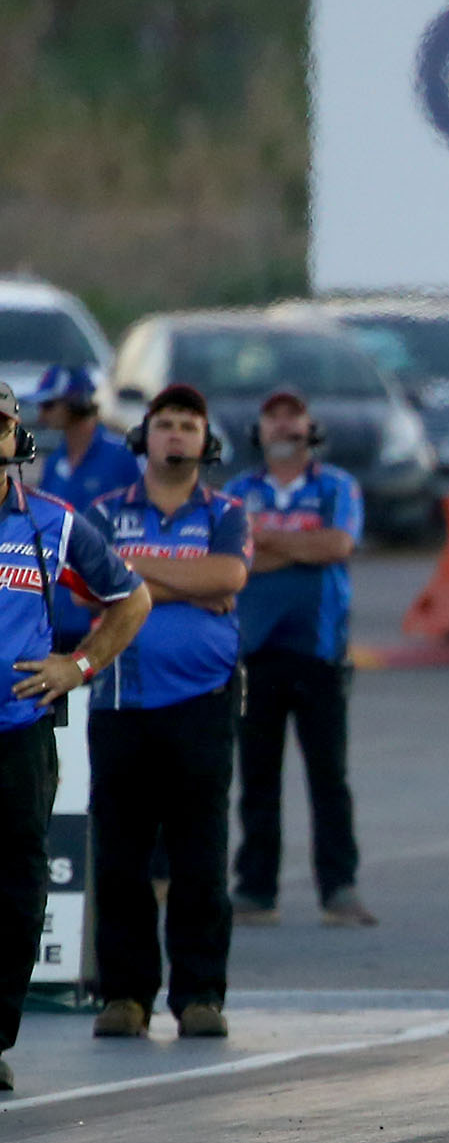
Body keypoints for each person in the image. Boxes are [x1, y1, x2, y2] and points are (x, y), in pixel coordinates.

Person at [83, 384, 251, 1040]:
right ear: (143, 437)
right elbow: (91, 587)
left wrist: (135, 573)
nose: (176, 433)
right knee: (120, 856)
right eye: (165, 423)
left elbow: (229, 578)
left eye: (188, 424)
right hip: (120, 700)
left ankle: (200, 994)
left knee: (199, 855)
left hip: (203, 701)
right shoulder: (103, 511)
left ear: (206, 442)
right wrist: (189, 582)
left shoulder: (226, 512)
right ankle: (125, 995)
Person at [0, 383, 151, 1089]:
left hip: (18, 734)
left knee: (15, 889)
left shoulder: (51, 523)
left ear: (16, 439)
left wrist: (79, 665)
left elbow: (131, 598)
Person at [222, 388, 374, 927]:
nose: (284, 426)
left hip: (320, 651)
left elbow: (337, 546)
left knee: (329, 776)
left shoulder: (336, 486)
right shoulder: (239, 491)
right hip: (255, 650)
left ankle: (339, 888)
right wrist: (298, 546)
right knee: (257, 777)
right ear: (258, 431)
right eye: (273, 418)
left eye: (294, 418)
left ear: (311, 429)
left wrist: (269, 541)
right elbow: (234, 559)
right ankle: (255, 890)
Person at [23, 366, 140, 651]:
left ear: (75, 403)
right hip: (59, 607)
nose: (41, 414)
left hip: (101, 605)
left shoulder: (121, 457)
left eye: (49, 405)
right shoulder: (56, 460)